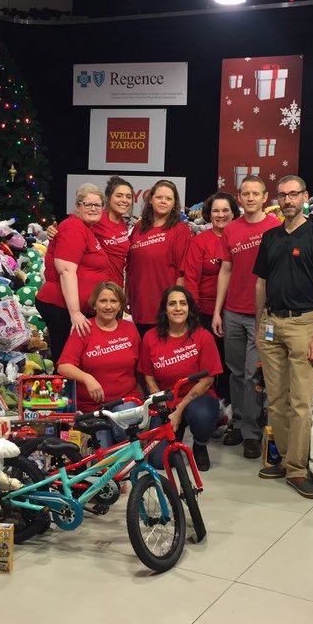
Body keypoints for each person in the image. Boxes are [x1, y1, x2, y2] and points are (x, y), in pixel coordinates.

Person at [254, 175, 313, 499]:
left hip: (304, 326)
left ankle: (298, 470)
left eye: (294, 194)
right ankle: (287, 461)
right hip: (272, 323)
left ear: (305, 197)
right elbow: (261, 283)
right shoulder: (270, 237)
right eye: (283, 195)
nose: (288, 200)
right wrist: (261, 324)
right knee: (276, 399)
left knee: (302, 401)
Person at [210, 176, 279, 459]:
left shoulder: (275, 227)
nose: (250, 198)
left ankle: (252, 433)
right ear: (239, 198)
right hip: (233, 313)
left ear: (265, 197)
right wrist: (218, 310)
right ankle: (237, 423)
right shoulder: (232, 229)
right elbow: (225, 270)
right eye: (245, 194)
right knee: (236, 372)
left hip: (262, 315)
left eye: (255, 193)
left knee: (253, 374)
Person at [139, 286, 222, 471]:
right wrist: (163, 408)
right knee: (159, 462)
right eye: (172, 304)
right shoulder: (150, 337)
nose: (178, 308)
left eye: (183, 303)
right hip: (166, 400)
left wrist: (178, 410)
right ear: (164, 310)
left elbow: (207, 380)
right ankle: (175, 437)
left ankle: (200, 445)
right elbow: (149, 377)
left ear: (189, 308)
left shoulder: (203, 336)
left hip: (197, 398)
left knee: (202, 415)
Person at [56, 281, 141, 448]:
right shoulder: (84, 328)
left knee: (126, 433)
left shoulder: (130, 329)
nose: (108, 306)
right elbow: (63, 366)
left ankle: (121, 436)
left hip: (124, 400)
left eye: (113, 301)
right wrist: (87, 378)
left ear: (120, 306)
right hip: (91, 407)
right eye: (103, 301)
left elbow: (140, 368)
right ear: (94, 304)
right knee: (101, 460)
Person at [35, 184, 112, 361]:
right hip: (62, 308)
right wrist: (75, 313)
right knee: (66, 362)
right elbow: (66, 271)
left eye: (97, 205)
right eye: (88, 204)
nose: (93, 209)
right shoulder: (73, 228)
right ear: (77, 206)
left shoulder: (86, 229)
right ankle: (64, 390)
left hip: (70, 309)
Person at [179, 192, 240, 406]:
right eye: (216, 211)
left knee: (233, 364)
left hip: (237, 311)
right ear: (208, 214)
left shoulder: (240, 237)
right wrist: (193, 316)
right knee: (210, 364)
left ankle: (233, 408)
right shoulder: (200, 241)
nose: (220, 215)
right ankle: (213, 408)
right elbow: (191, 280)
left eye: (225, 210)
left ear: (234, 213)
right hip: (205, 312)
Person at [127, 180, 192, 337]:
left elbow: (181, 272)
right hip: (138, 303)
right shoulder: (139, 227)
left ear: (175, 203)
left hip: (163, 306)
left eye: (168, 198)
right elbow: (131, 265)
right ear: (150, 199)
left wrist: (177, 306)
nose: (163, 201)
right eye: (159, 197)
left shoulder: (180, 230)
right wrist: (127, 295)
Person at [93, 176, 135, 289]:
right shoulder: (97, 218)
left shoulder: (122, 224)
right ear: (107, 198)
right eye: (119, 196)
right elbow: (74, 226)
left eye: (128, 197)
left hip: (117, 286)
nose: (125, 200)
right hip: (100, 287)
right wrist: (55, 232)